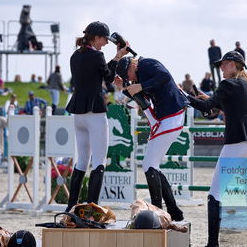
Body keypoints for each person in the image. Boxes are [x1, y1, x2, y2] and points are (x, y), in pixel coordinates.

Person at [187, 51, 247, 247]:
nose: (220, 67)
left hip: (237, 141)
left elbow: (206, 106)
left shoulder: (227, 84)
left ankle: (213, 244)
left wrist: (182, 95)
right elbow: (230, 107)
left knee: (214, 194)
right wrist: (213, 101)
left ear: (234, 64)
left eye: (224, 64)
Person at [64, 21, 129, 212]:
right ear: (96, 37)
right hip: (95, 112)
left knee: (82, 161)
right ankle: (92, 209)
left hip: (78, 113)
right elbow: (108, 76)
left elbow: (99, 73)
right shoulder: (97, 55)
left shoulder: (75, 55)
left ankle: (70, 207)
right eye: (104, 39)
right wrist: (118, 56)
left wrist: (111, 64)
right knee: (99, 161)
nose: (106, 43)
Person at [115, 55, 189, 221]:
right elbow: (140, 95)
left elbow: (164, 77)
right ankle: (173, 209)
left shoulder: (147, 64)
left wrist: (139, 86)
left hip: (172, 115)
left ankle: (159, 210)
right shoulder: (139, 72)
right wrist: (127, 88)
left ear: (132, 66)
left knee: (149, 164)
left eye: (129, 75)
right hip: (166, 117)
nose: (130, 79)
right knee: (152, 165)